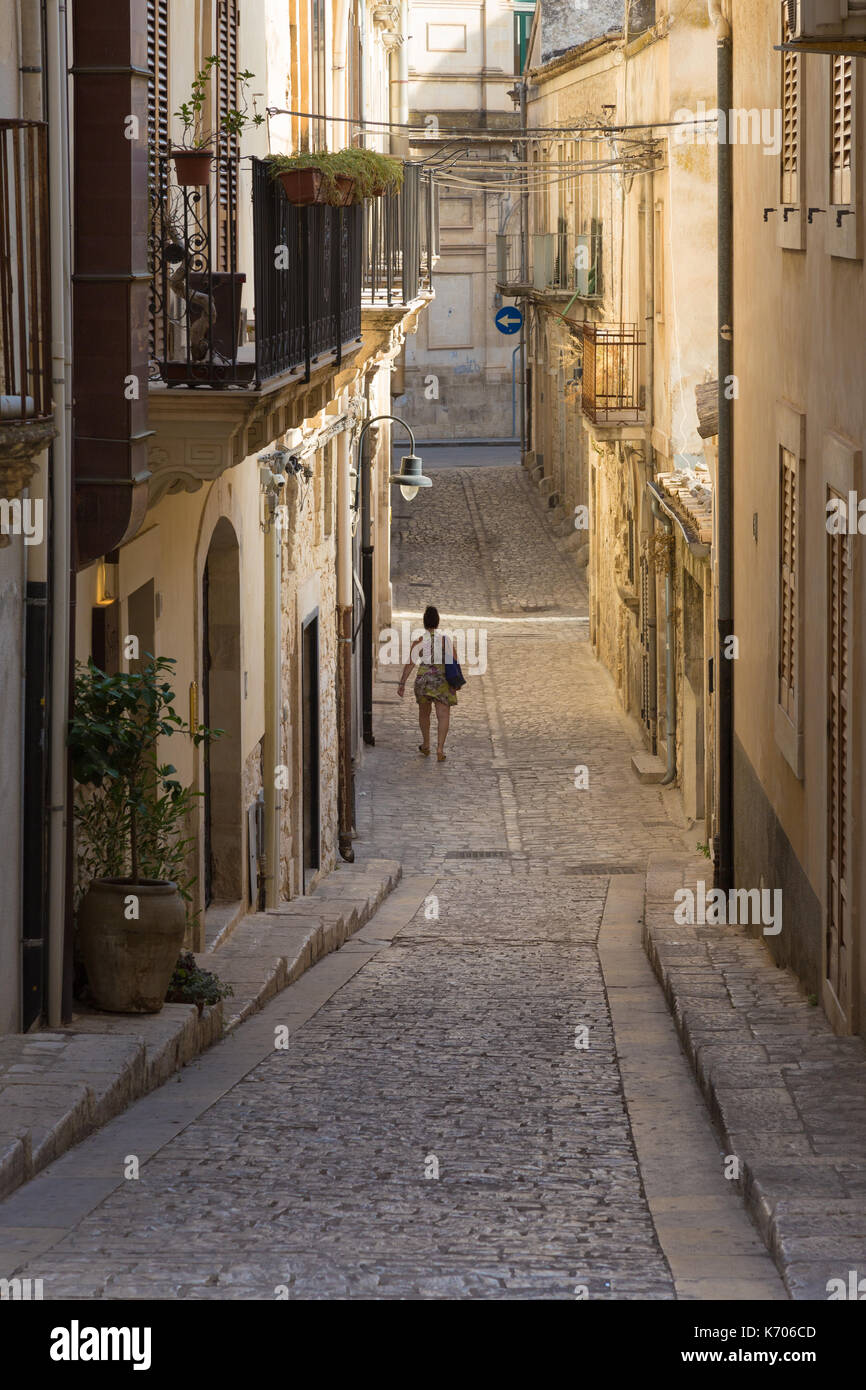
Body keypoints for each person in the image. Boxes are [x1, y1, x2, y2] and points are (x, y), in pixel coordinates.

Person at [397, 605, 458, 762]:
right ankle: (440, 749)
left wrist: (402, 683)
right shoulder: (446, 641)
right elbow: (455, 662)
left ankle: (425, 744)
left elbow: (410, 664)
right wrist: (455, 682)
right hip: (442, 681)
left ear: (424, 623)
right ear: (438, 622)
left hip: (423, 682)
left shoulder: (419, 641)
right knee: (443, 715)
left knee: (424, 714)